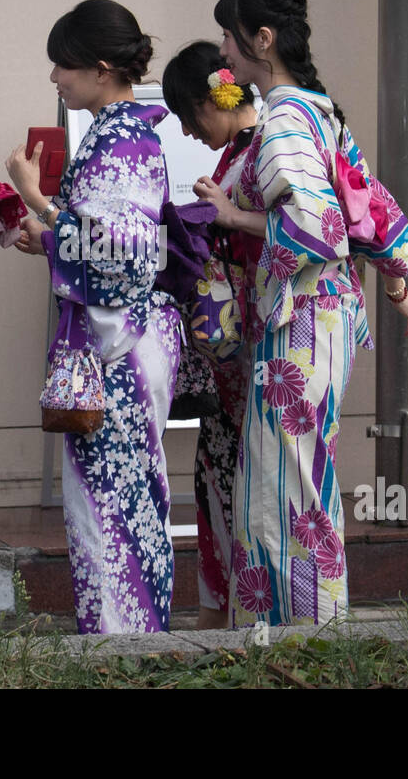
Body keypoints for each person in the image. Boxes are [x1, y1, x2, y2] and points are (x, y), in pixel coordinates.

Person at [207, 0, 408, 627]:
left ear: (263, 40)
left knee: (286, 491)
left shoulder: (282, 119)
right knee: (295, 484)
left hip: (298, 318)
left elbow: (313, 226)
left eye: (230, 39)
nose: (223, 55)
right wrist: (395, 284)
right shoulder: (318, 109)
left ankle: (304, 644)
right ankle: (300, 638)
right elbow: (367, 212)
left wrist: (234, 217)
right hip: (325, 316)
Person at [5, 0, 182, 634]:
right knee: (126, 505)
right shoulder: (126, 133)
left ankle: (121, 653)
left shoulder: (120, 140)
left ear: (102, 69)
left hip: (120, 348)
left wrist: (39, 202)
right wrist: (49, 233)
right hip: (128, 342)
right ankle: (132, 646)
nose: (56, 78)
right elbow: (107, 241)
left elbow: (123, 256)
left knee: (112, 511)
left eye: (65, 67)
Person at [161, 41, 263, 630]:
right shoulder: (243, 154)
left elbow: (301, 230)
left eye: (187, 115)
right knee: (219, 472)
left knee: (238, 476)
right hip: (235, 346)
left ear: (211, 101)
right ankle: (218, 608)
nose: (187, 130)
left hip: (252, 340)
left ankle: (234, 611)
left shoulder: (262, 152)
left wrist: (215, 221)